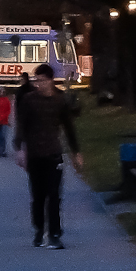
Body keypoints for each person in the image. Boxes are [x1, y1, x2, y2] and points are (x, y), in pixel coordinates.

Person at [14, 63, 84, 250]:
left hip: (53, 153)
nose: (39, 84)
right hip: (35, 154)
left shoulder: (60, 101)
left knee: (54, 195)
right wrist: (20, 149)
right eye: (37, 81)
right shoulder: (29, 100)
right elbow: (21, 125)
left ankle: (54, 234)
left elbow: (69, 127)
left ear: (51, 80)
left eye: (43, 81)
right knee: (38, 196)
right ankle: (38, 229)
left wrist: (76, 152)